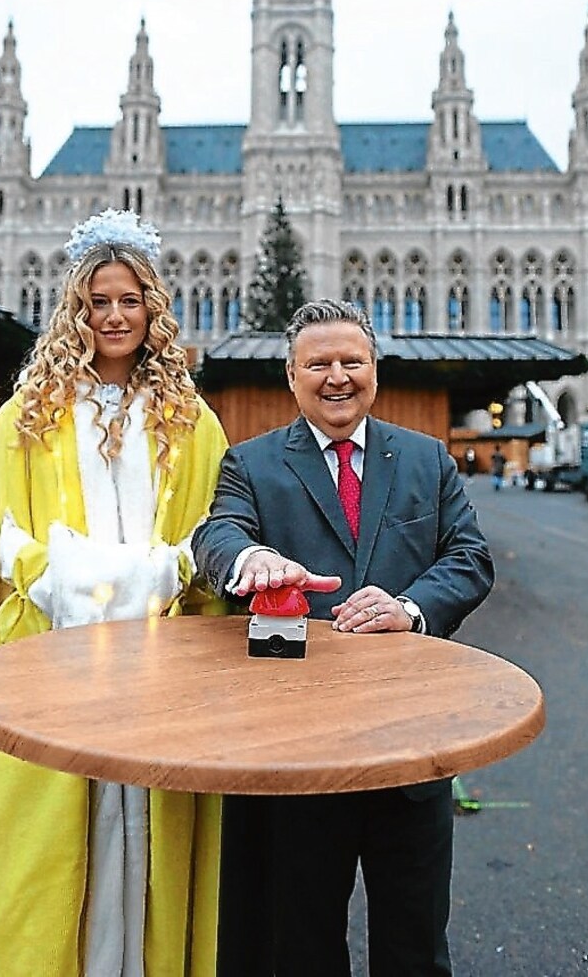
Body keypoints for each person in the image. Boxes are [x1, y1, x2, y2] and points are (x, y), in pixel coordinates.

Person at [0, 209, 230, 977]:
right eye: (97, 302)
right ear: (75, 311)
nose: (114, 316)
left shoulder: (192, 422)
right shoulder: (27, 417)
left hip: (155, 678)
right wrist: (101, 579)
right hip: (47, 673)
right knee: (33, 862)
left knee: (145, 840)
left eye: (129, 301)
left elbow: (209, 538)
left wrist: (167, 576)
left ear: (153, 309)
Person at [193, 299, 495, 977]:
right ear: (292, 374)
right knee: (298, 947)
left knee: (415, 947)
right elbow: (218, 533)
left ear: (374, 370)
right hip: (298, 757)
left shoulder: (427, 459)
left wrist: (412, 605)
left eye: (351, 361)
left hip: (409, 750)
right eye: (318, 363)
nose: (337, 376)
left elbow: (470, 557)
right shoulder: (251, 463)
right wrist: (250, 562)